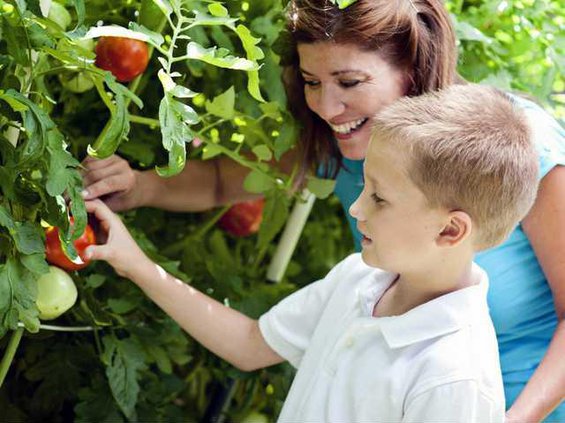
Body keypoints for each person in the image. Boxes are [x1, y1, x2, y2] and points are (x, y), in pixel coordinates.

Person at [81, 0, 565, 420]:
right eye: (312, 81)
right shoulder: (360, 267)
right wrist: (138, 187)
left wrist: (514, 418)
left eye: (350, 82)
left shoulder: (516, 155)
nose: (328, 107)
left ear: (412, 71)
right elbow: (225, 179)